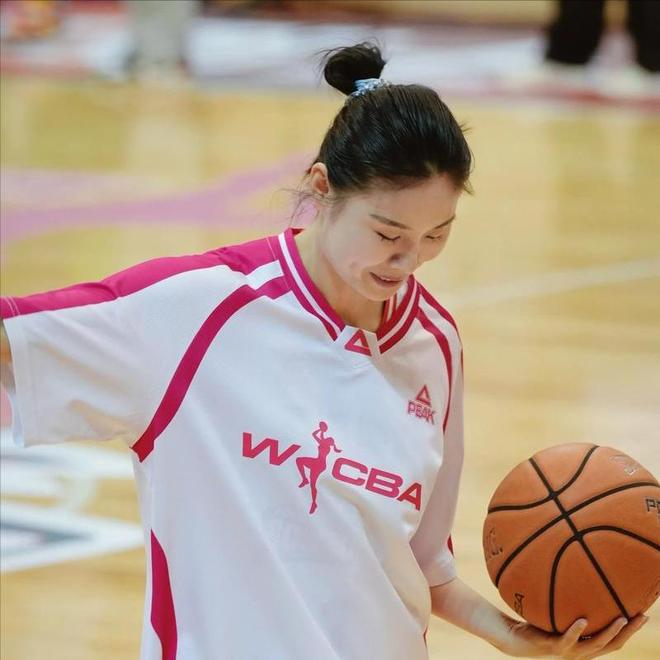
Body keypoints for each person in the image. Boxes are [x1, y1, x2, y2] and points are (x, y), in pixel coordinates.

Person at [0, 42, 648, 660]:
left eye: (435, 235)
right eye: (388, 233)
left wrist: (511, 636)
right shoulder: (194, 313)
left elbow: (422, 563)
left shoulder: (435, 343)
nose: (409, 260)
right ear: (321, 187)